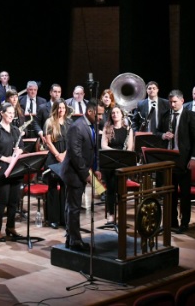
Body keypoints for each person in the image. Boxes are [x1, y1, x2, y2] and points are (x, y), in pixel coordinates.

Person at [61, 100, 103, 251]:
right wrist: (86, 174)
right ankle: (74, 240)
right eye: (99, 114)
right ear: (90, 112)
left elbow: (95, 149)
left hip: (84, 171)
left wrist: (96, 168)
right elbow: (75, 154)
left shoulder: (93, 125)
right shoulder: (77, 127)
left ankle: (71, 236)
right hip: (74, 173)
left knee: (73, 206)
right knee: (74, 207)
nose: (101, 118)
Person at [156, 90, 195, 234]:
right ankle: (171, 222)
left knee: (185, 194)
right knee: (170, 193)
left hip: (184, 160)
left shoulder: (190, 115)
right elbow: (156, 132)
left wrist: (193, 158)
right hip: (168, 160)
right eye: (170, 102)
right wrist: (163, 135)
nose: (172, 104)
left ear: (182, 101)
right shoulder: (165, 115)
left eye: (175, 101)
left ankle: (184, 223)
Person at [0, 103, 24, 242]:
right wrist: (4, 158)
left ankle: (10, 227)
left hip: (15, 169)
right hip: (2, 169)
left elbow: (22, 147)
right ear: (2, 113)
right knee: (3, 201)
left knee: (14, 201)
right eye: (9, 113)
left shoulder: (15, 130)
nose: (12, 115)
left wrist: (19, 151)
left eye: (13, 113)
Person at [100, 106, 134, 224]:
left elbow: (130, 148)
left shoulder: (128, 129)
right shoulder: (107, 128)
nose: (115, 114)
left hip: (122, 163)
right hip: (110, 162)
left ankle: (121, 213)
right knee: (110, 189)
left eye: (117, 112)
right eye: (113, 113)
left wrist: (121, 156)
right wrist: (115, 153)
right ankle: (111, 214)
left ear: (122, 115)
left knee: (120, 190)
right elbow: (103, 146)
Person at [43, 98, 72, 229]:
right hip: (53, 157)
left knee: (65, 188)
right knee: (53, 189)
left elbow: (72, 141)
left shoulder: (69, 122)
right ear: (55, 109)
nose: (61, 110)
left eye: (63, 108)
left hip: (66, 156)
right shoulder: (49, 122)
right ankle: (53, 219)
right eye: (59, 108)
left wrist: (64, 154)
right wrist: (57, 155)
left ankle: (64, 219)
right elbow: (48, 142)